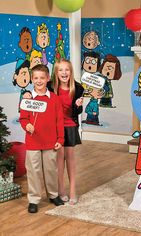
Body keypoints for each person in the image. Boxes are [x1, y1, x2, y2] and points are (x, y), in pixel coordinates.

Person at [19, 64, 65, 214]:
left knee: (51, 169)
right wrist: (27, 126)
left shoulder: (55, 99)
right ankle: (34, 199)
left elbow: (59, 120)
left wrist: (60, 138)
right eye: (36, 78)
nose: (39, 81)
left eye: (42, 78)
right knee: (33, 171)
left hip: (50, 141)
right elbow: (23, 118)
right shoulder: (27, 98)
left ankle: (53, 195)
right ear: (32, 79)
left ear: (47, 79)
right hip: (33, 142)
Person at [49, 58, 84, 205]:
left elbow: (77, 111)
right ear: (56, 73)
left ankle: (72, 190)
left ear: (71, 71)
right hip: (55, 127)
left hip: (69, 126)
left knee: (70, 158)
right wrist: (26, 94)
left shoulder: (77, 88)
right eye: (61, 70)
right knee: (59, 159)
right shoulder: (50, 87)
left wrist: (78, 105)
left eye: (67, 70)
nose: (64, 73)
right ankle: (61, 190)